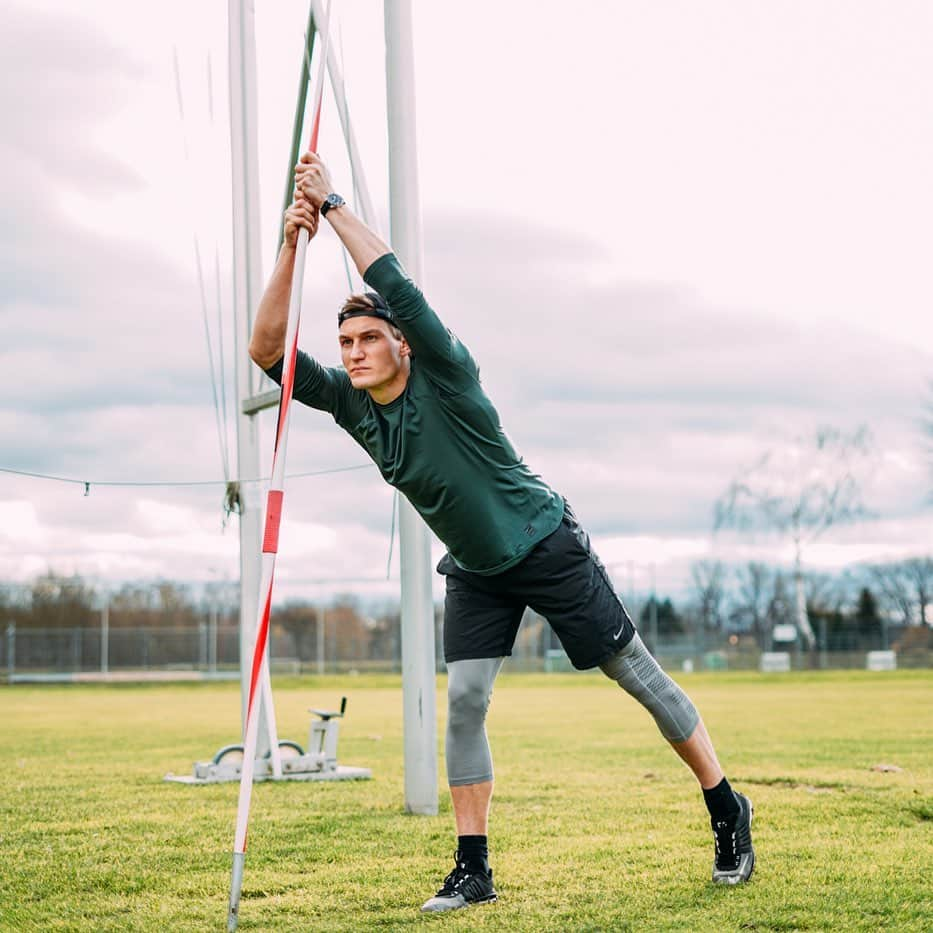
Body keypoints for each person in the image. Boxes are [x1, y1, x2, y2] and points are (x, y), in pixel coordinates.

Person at [249, 151, 756, 912]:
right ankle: (473, 867)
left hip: (545, 544)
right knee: (465, 701)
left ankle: (725, 807)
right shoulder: (354, 408)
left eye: (366, 340)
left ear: (402, 344)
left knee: (637, 679)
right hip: (478, 567)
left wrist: (333, 206)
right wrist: (293, 244)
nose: (352, 354)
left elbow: (394, 283)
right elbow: (265, 350)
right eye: (345, 343)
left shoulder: (446, 372)